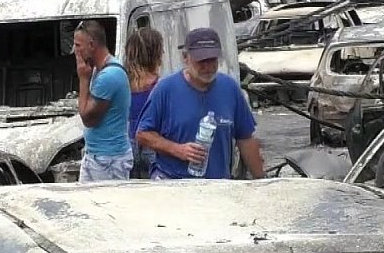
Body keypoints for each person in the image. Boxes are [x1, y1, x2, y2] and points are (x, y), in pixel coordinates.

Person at [137, 28, 264, 180]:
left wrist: (262, 181)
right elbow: (143, 134)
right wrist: (178, 150)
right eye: (202, 61)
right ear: (185, 58)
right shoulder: (165, 89)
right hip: (172, 183)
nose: (208, 67)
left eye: (213, 60)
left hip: (217, 185)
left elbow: (246, 139)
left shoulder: (230, 88)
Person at [74, 21, 132, 182]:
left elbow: (88, 118)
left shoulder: (109, 76)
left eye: (78, 45)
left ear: (92, 44)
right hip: (96, 154)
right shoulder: (98, 71)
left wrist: (83, 79)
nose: (75, 51)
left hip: (109, 159)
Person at [124, 23, 164, 179]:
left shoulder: (123, 82)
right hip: (152, 144)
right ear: (156, 53)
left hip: (126, 144)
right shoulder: (160, 85)